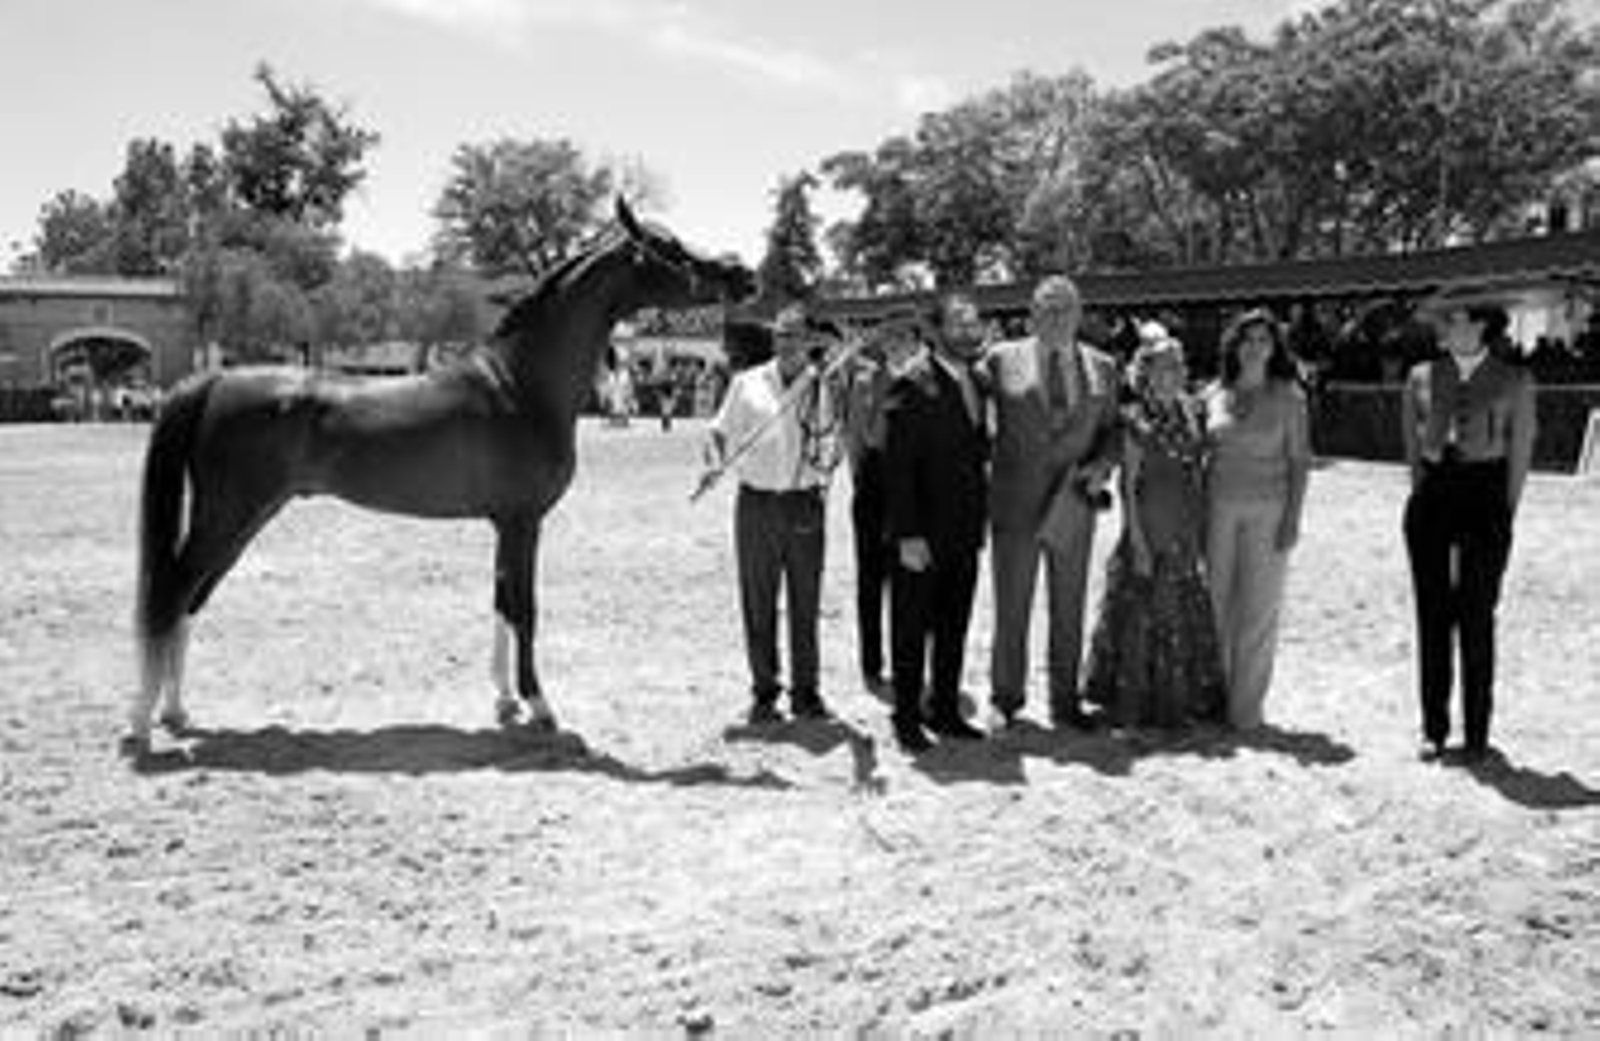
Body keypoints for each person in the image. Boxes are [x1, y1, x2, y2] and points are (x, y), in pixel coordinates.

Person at [984, 274, 1123, 730]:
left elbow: (1113, 430)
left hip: (1073, 503)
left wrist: (1102, 466)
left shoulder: (1104, 366)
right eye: (1047, 307)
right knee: (1012, 605)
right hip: (1015, 504)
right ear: (1032, 314)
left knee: (1069, 604)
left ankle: (1066, 701)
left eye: (1066, 307)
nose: (1057, 316)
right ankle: (1006, 698)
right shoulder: (1000, 358)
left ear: (1080, 315)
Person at [1401, 300, 1537, 763]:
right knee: (1432, 614)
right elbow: (1411, 445)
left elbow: (1521, 448)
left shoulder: (1515, 379)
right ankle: (1434, 728)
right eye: (1445, 321)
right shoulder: (1420, 375)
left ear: (1482, 325)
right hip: (1434, 493)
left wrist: (1505, 509)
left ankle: (1477, 732)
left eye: (1456, 319)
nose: (1446, 327)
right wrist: (1424, 491)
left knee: (1478, 613)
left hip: (1486, 493)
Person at [704, 303, 842, 724]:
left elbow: (833, 443)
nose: (787, 343)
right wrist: (715, 461)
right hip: (756, 503)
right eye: (781, 334)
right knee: (758, 600)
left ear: (808, 340)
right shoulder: (746, 383)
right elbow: (718, 431)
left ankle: (806, 692)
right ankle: (764, 690)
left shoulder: (823, 384)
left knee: (805, 601)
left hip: (804, 502)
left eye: (795, 335)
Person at [1084, 331, 1225, 732]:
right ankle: (1143, 700)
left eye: (1178, 364)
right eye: (1164, 365)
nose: (1174, 372)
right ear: (1145, 372)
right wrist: (1138, 541)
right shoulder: (1134, 419)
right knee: (1144, 611)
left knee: (1182, 607)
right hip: (1149, 525)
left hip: (1185, 524)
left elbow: (1198, 471)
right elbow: (1128, 486)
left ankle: (1186, 697)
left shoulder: (1193, 411)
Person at [882, 293, 991, 753]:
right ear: (936, 331)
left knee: (953, 625)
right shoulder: (912, 383)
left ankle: (944, 709)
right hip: (921, 534)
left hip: (965, 530)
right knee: (911, 629)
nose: (969, 331)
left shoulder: (978, 382)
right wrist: (907, 534)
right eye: (959, 323)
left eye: (973, 323)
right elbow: (897, 467)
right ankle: (906, 717)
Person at [1202, 308, 1312, 731]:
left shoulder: (1290, 397)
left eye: (1263, 340)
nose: (1254, 347)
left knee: (1258, 609)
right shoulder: (1212, 394)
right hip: (1217, 510)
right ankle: (1214, 696)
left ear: (1274, 348)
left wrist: (1293, 517)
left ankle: (1245, 709)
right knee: (1214, 604)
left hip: (1270, 511)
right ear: (1234, 345)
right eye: (1247, 339)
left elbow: (1300, 461)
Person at [840, 312, 922, 694]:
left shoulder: (926, 380)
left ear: (915, 341)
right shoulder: (864, 380)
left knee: (909, 577)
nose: (895, 342)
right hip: (874, 478)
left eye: (902, 335)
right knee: (870, 576)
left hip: (914, 481)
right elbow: (854, 436)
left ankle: (907, 660)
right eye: (889, 336)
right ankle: (871, 662)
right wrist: (862, 480)